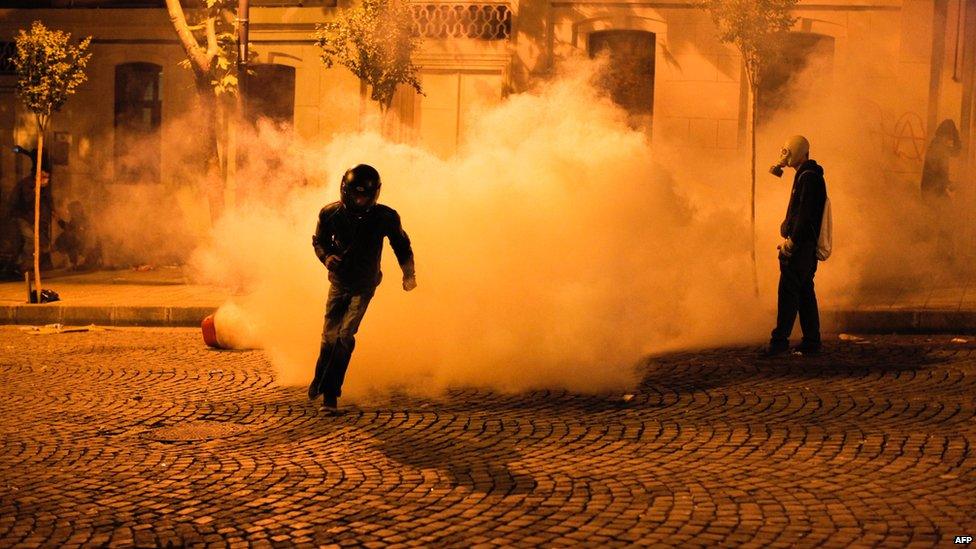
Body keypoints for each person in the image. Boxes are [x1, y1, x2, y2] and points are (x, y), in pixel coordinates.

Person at [308, 164, 417, 414]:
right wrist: (326, 257)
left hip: (364, 284)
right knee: (329, 336)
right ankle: (320, 377)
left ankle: (330, 395)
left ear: (374, 195)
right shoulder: (330, 214)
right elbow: (319, 241)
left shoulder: (386, 217)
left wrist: (409, 274)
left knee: (344, 336)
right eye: (355, 195)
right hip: (338, 282)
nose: (359, 201)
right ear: (345, 192)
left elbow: (401, 244)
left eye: (364, 196)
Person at [766, 135, 827, 356]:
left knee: (789, 292)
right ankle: (812, 340)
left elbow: (804, 214)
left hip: (801, 247)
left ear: (800, 153)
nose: (785, 156)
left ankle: (779, 341)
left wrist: (792, 241)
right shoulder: (807, 175)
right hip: (805, 245)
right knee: (804, 292)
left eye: (788, 152)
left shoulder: (808, 177)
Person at [11, 148, 54, 274]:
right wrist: (36, 190)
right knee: (31, 240)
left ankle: (21, 265)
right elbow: (26, 201)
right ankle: (24, 268)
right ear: (38, 175)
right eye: (44, 177)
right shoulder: (27, 184)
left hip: (33, 218)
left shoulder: (44, 188)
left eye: (48, 177)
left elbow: (46, 203)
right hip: (22, 217)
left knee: (41, 244)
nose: (47, 179)